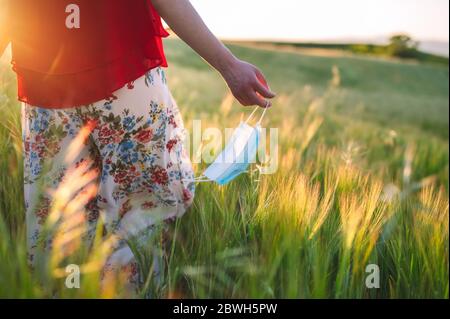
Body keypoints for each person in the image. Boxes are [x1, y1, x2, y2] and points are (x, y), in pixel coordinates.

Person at [0, 0, 275, 292]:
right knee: (142, 215)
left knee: (57, 225)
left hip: (44, 83)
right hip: (121, 70)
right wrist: (228, 64)